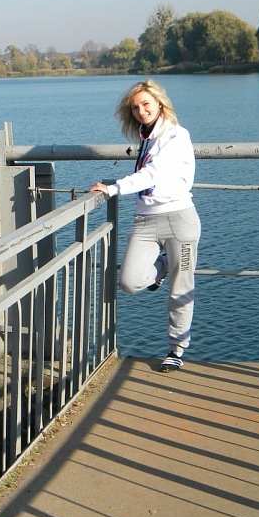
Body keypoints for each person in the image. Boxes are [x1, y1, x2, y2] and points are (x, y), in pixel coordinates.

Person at [90, 79, 200, 372]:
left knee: (181, 288)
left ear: (160, 103)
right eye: (135, 107)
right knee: (129, 281)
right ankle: (161, 266)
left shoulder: (176, 136)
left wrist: (113, 188)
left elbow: (153, 173)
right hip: (145, 220)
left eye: (146, 104)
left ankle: (176, 350)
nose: (141, 111)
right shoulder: (146, 137)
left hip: (179, 220)